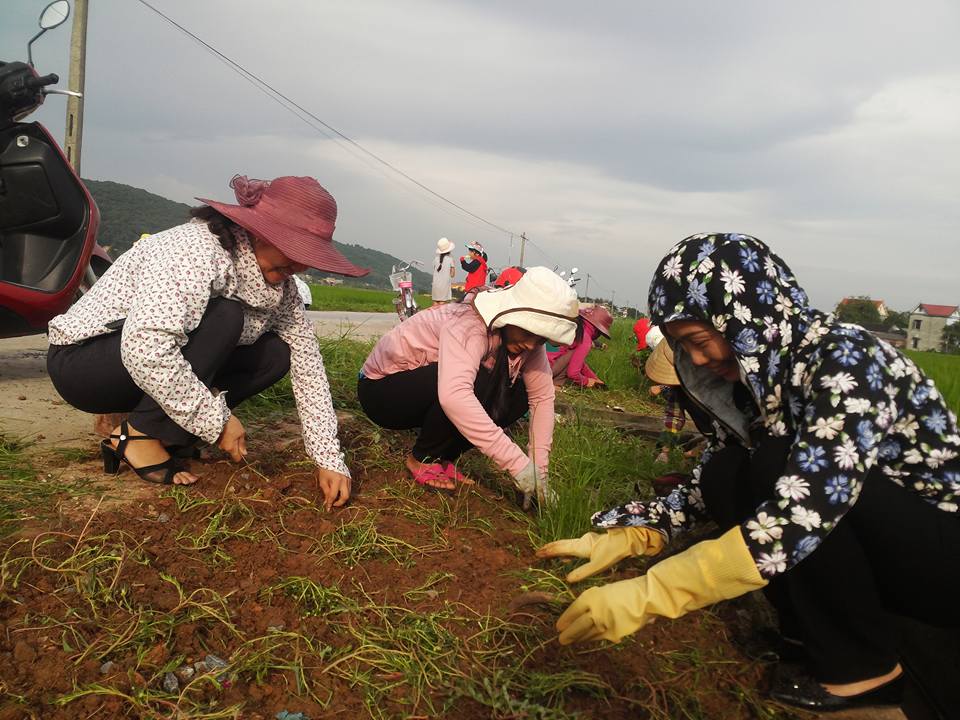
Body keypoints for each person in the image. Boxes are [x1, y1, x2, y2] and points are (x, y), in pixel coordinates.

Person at [538, 233, 960, 713]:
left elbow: (806, 508)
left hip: (940, 557)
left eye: (699, 341)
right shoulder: (766, 378)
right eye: (683, 346)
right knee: (728, 469)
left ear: (744, 319)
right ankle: (808, 637)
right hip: (874, 540)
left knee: (777, 465)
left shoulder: (845, 358)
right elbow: (709, 481)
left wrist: (658, 592)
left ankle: (863, 674)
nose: (696, 360)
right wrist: (641, 530)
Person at [46, 174, 363, 511]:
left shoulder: (282, 291)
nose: (299, 266)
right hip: (85, 363)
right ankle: (136, 435)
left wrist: (328, 458)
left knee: (276, 353)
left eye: (307, 256)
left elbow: (308, 367)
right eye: (293, 249)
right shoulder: (195, 251)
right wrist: (217, 420)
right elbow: (146, 349)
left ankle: (164, 434)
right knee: (227, 316)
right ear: (258, 232)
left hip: (138, 363)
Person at [357, 267, 578, 505]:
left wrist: (538, 474)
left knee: (519, 394)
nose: (531, 344)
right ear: (510, 316)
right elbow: (454, 396)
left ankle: (443, 457)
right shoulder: (470, 325)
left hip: (432, 387)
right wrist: (518, 465)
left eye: (541, 338)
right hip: (382, 390)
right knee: (479, 383)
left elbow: (542, 398)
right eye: (528, 332)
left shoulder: (528, 343)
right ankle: (423, 458)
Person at [547, 305, 612, 388]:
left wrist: (595, 378)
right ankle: (550, 384)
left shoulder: (574, 327)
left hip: (538, 364)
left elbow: (578, 362)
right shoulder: (585, 338)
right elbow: (573, 373)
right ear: (597, 330)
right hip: (545, 368)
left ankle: (550, 382)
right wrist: (586, 381)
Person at [431, 237, 456, 306]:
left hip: (435, 284)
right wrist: (454, 266)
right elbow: (452, 275)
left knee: (435, 303)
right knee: (442, 303)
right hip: (444, 285)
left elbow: (435, 269)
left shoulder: (436, 259)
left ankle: (433, 316)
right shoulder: (450, 259)